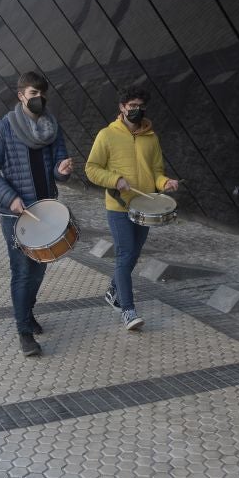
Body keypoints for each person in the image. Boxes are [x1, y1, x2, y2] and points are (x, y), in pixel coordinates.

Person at [0, 72, 73, 356]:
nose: (39, 99)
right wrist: (10, 198)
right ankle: (24, 333)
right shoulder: (2, 129)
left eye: (43, 94)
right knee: (22, 272)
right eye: (33, 93)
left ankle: (27, 312)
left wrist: (62, 171)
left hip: (45, 210)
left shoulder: (51, 126)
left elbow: (58, 166)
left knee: (39, 268)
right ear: (21, 95)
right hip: (16, 214)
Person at [85, 86, 178, 330]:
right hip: (118, 206)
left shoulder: (151, 137)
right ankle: (127, 309)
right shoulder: (107, 135)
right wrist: (115, 180)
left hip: (146, 206)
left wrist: (164, 182)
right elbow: (91, 168)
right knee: (125, 254)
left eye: (140, 106)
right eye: (132, 106)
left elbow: (156, 171)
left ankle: (113, 291)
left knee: (133, 255)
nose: (136, 110)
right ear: (122, 108)